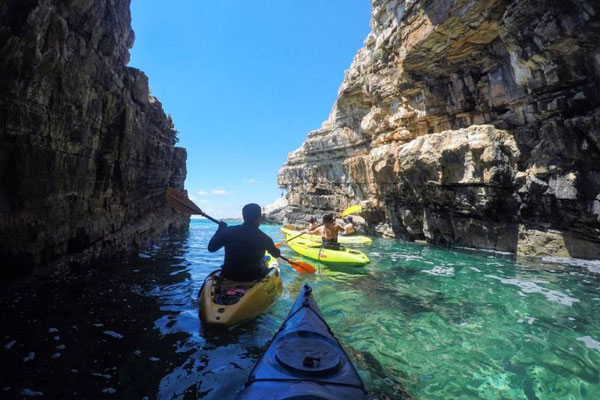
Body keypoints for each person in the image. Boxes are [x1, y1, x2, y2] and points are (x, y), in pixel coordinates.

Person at [208, 203, 281, 281]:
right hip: (253, 277)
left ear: (244, 216)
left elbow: (211, 248)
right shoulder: (265, 238)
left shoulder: (227, 231)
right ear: (259, 217)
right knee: (272, 268)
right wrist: (276, 249)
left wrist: (220, 230)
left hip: (228, 275)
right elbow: (276, 254)